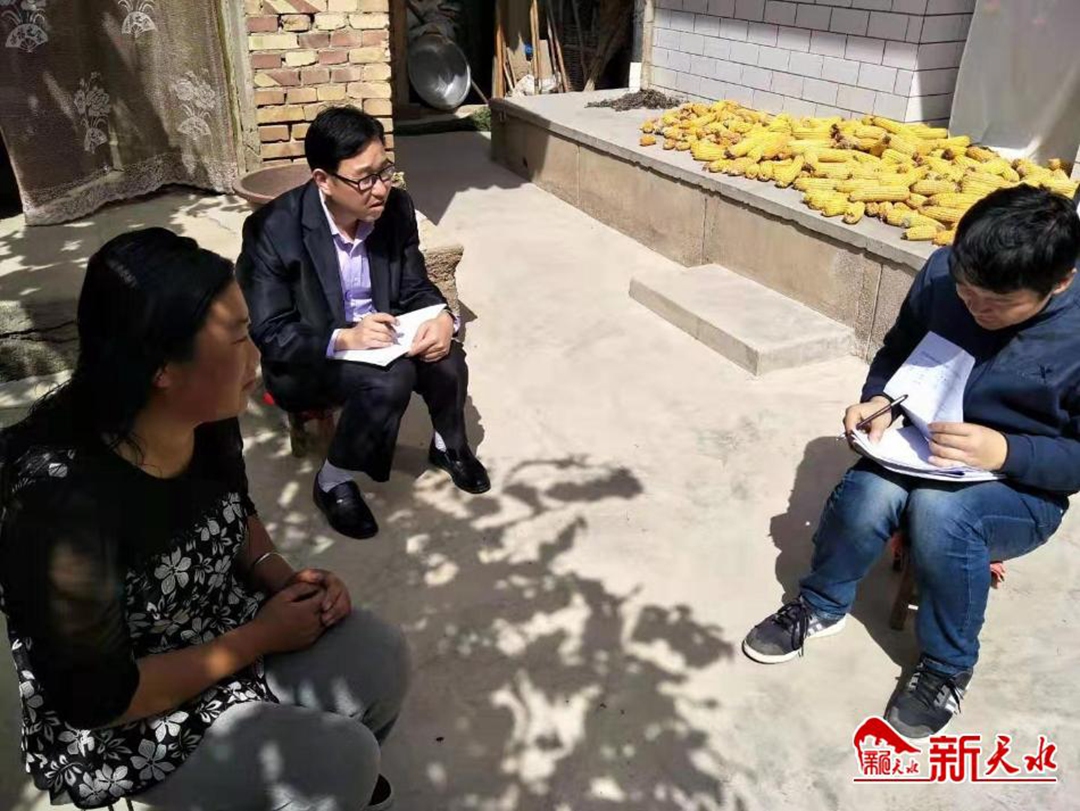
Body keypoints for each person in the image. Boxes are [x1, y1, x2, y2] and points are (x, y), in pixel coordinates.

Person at [0, 229, 409, 810]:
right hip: (131, 714)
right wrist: (259, 637)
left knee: (380, 656)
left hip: (219, 622)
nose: (256, 353)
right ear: (161, 365)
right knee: (340, 761)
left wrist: (282, 579)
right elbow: (99, 700)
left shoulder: (205, 412)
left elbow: (235, 509)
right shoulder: (62, 507)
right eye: (239, 336)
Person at [742, 185, 1080, 739]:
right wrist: (879, 399)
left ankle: (947, 665)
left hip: (1023, 486)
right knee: (868, 491)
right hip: (924, 450)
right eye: (967, 292)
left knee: (942, 514)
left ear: (1060, 282)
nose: (974, 309)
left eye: (996, 304)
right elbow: (899, 349)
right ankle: (821, 603)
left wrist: (1006, 451)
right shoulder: (943, 273)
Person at [237, 107, 489, 541]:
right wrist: (345, 337)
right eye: (365, 179)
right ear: (323, 180)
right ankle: (332, 480)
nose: (381, 188)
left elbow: (414, 285)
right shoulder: (272, 230)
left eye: (385, 171)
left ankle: (448, 445)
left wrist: (442, 317)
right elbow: (272, 330)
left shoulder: (395, 208)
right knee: (391, 379)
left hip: (385, 336)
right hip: (313, 354)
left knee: (447, 356)